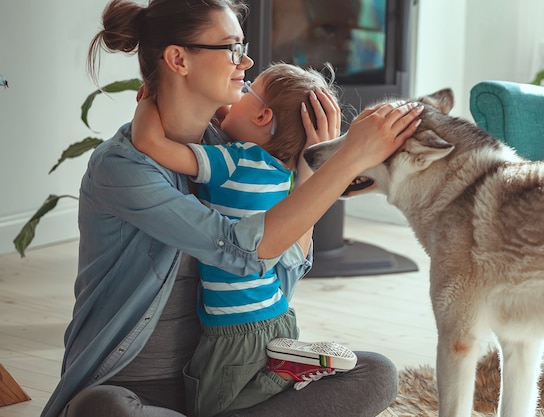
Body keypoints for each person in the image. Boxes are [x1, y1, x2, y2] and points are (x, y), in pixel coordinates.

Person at [40, 0, 423, 416]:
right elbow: (243, 251)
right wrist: (348, 159)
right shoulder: (123, 167)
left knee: (376, 374)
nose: (247, 60)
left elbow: (281, 271)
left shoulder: (233, 151)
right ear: (178, 59)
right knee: (100, 409)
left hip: (228, 376)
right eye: (231, 47)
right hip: (136, 389)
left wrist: (311, 167)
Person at [132, 62, 359, 416]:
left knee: (208, 407)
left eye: (246, 90)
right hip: (276, 314)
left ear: (262, 115)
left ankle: (281, 373)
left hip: (234, 329)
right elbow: (232, 112)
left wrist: (150, 96)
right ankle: (286, 367)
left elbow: (148, 142)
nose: (234, 97)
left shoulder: (234, 161)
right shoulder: (284, 175)